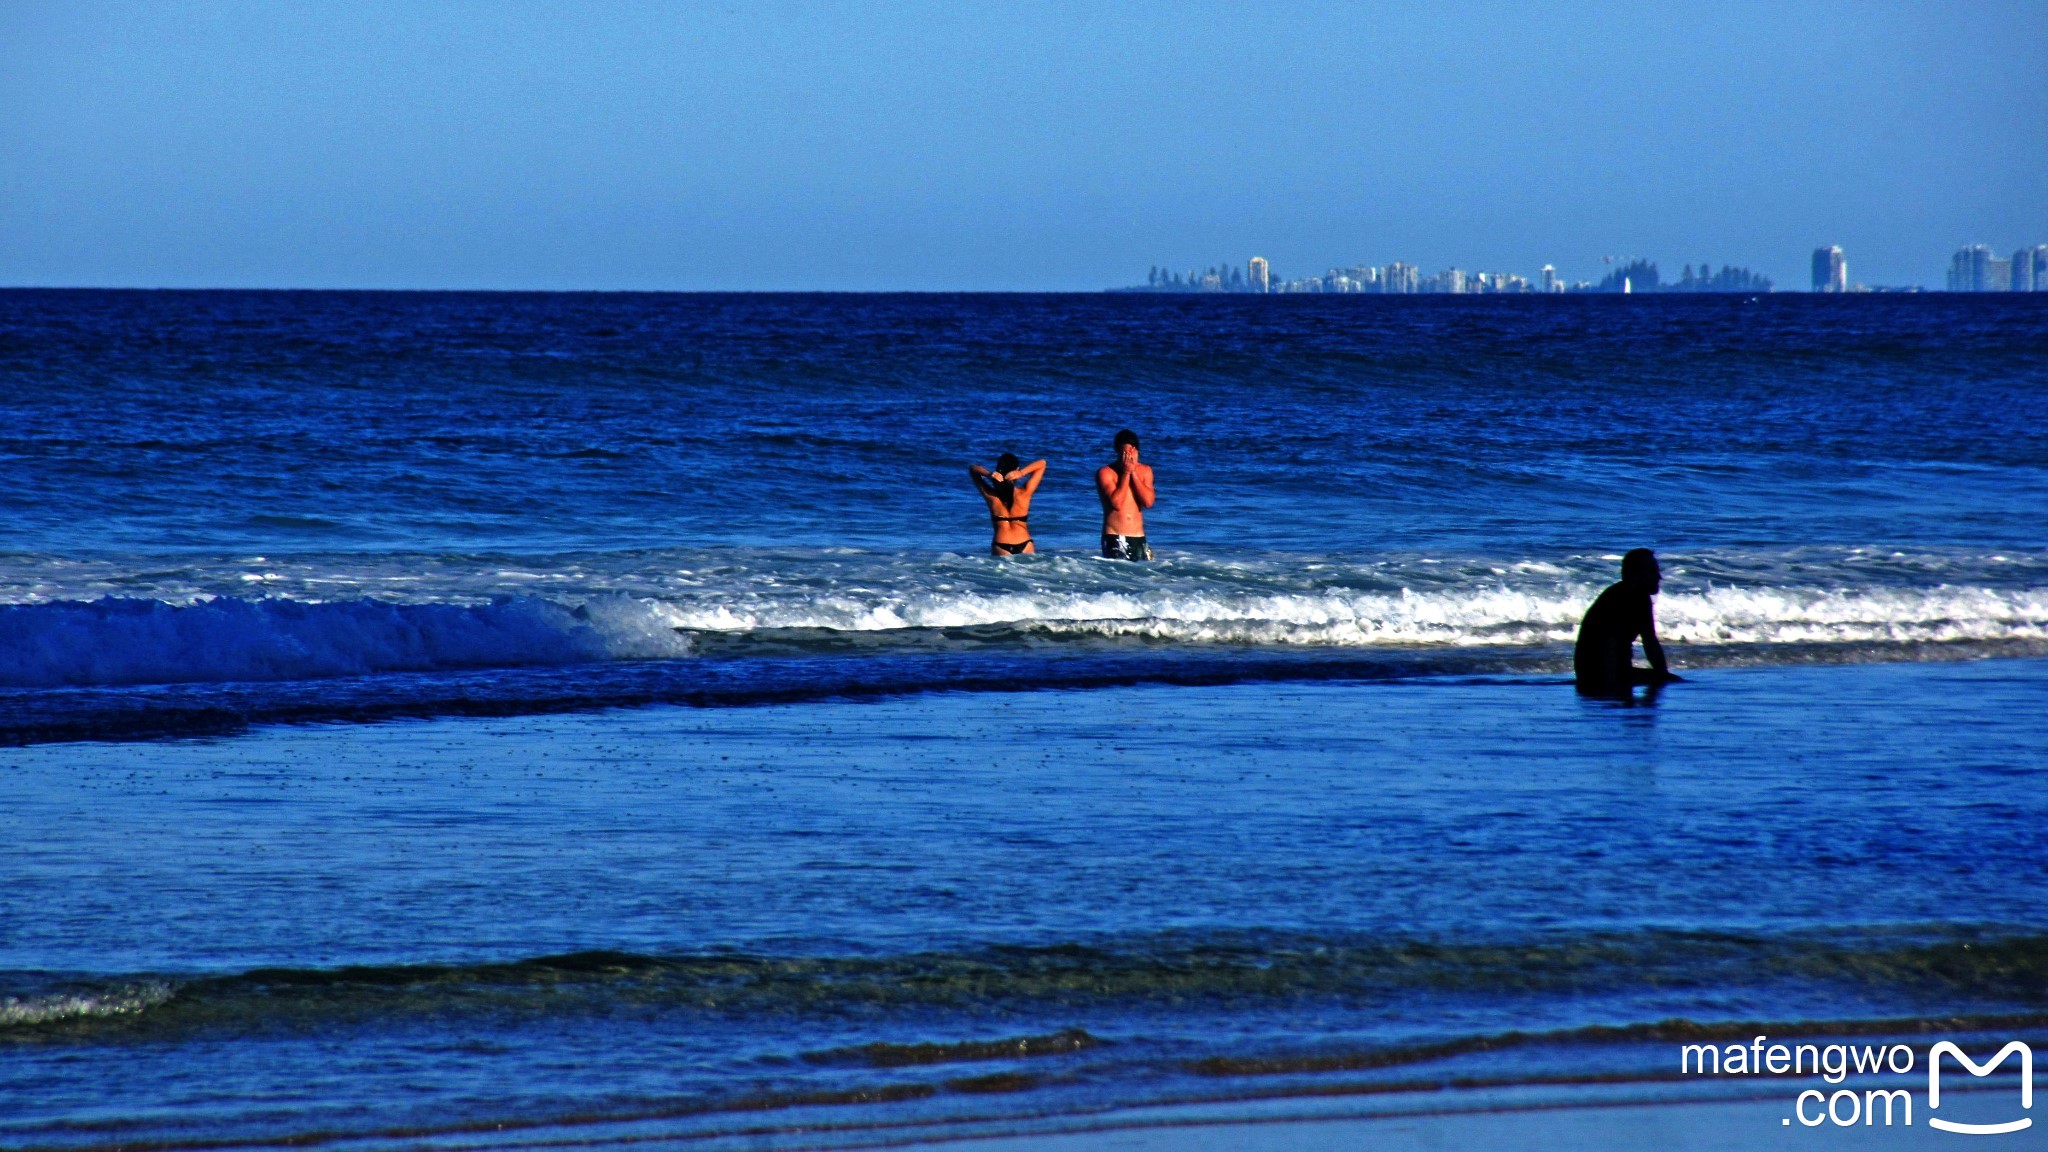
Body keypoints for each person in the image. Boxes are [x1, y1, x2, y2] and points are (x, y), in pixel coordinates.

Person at [1573, 548, 1683, 694]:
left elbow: (1650, 643)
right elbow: (1608, 645)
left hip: (1617, 671)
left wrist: (1662, 675)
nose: (1659, 577)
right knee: (1673, 681)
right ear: (1634, 575)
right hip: (1596, 674)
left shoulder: (1642, 599)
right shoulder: (1617, 599)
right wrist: (1610, 686)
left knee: (1670, 681)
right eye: (1652, 571)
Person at [1095, 429, 1156, 560]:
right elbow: (1117, 503)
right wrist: (1126, 473)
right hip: (1116, 536)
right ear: (1117, 452)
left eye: (1131, 453)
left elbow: (1148, 502)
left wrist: (1133, 473)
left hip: (1139, 537)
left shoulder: (1145, 471)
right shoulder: (1106, 472)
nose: (1128, 457)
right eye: (1124, 454)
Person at [969, 452, 1045, 556]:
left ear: (998, 471)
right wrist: (1021, 473)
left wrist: (989, 474)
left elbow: (972, 469)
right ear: (1016, 469)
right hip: (1025, 543)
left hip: (1001, 545)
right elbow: (1042, 463)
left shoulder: (991, 496)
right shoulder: (1024, 493)